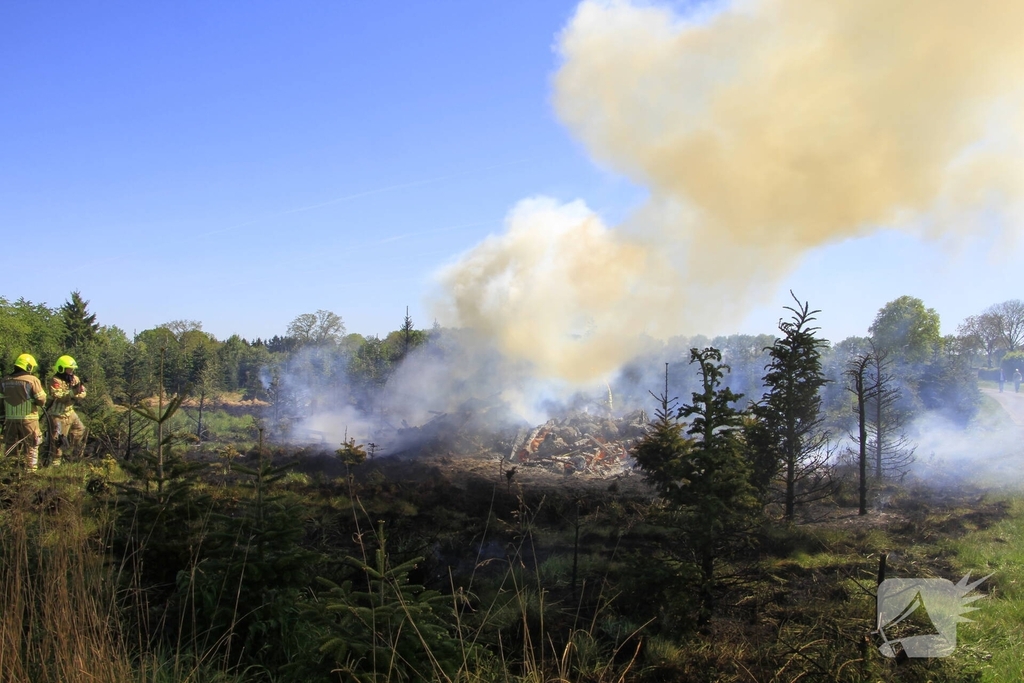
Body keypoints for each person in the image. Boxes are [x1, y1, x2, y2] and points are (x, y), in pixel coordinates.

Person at [1, 354, 48, 471]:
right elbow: (41, 400)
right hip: (28, 419)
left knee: (11, 447)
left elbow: (0, 402)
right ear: (28, 367)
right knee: (31, 446)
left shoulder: (4, 381)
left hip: (10, 420)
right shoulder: (32, 380)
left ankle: (10, 472)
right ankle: (30, 473)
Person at [47, 355, 87, 465]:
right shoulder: (56, 380)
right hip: (58, 414)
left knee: (80, 429)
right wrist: (72, 393)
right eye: (69, 369)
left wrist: (77, 395)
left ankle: (68, 450)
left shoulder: (75, 379)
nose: (71, 371)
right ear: (61, 368)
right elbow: (58, 396)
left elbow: (83, 392)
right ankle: (55, 462)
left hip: (70, 412)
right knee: (58, 439)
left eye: (72, 369)